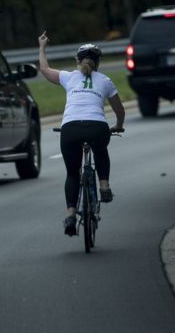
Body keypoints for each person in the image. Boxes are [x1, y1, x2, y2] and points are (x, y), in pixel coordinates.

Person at [38, 31, 125, 237]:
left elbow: (44, 69)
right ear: (99, 62)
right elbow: (119, 109)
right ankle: (104, 185)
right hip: (97, 127)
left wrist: (42, 47)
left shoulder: (68, 77)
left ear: (77, 61)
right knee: (101, 149)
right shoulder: (105, 80)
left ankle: (70, 214)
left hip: (70, 129)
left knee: (72, 173)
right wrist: (118, 125)